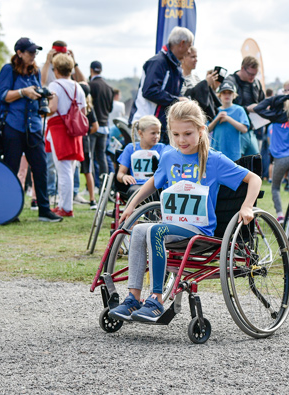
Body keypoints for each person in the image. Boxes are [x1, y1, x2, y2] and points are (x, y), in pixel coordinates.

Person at [109, 100, 261, 322]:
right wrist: (132, 204)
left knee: (154, 231)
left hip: (198, 229)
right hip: (173, 222)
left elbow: (254, 179)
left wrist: (247, 206)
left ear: (201, 130)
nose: (182, 140)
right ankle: (133, 298)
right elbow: (153, 181)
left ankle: (156, 300)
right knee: (140, 229)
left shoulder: (214, 159)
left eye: (188, 134)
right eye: (176, 134)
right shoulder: (170, 156)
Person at [0, 37, 62, 222]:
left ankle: (44, 210)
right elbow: (2, 96)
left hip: (33, 126)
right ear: (19, 53)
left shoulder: (35, 70)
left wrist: (44, 95)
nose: (33, 55)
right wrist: (24, 92)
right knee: (12, 168)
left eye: (35, 52)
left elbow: (37, 91)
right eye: (30, 52)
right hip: (13, 126)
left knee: (40, 168)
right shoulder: (9, 70)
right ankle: (8, 211)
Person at [253, 79, 289, 222]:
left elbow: (258, 108)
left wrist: (278, 97)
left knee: (275, 188)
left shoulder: (277, 115)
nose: (286, 93)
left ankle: (280, 215)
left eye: (287, 90)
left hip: (280, 158)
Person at [129, 26, 193, 142]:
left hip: (160, 129)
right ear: (182, 43)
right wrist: (177, 100)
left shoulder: (175, 67)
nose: (189, 51)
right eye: (189, 46)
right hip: (145, 126)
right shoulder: (158, 62)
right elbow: (149, 91)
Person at [44, 53, 87, 217]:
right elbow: (83, 112)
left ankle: (66, 207)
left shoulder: (54, 86)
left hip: (59, 129)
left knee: (63, 170)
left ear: (56, 69)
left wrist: (43, 111)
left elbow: (53, 108)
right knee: (70, 168)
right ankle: (64, 205)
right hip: (75, 131)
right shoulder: (78, 87)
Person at [224, 56, 266, 156]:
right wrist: (247, 109)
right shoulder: (230, 82)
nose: (252, 77)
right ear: (243, 68)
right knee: (236, 162)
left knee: (255, 161)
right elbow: (225, 106)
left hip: (252, 129)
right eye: (250, 74)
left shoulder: (256, 83)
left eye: (255, 74)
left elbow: (262, 101)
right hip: (234, 131)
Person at [116, 115, 165, 198]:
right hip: (137, 185)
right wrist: (124, 176)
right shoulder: (131, 148)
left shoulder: (162, 148)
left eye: (158, 133)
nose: (156, 136)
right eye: (153, 133)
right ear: (140, 133)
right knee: (139, 192)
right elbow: (120, 174)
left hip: (156, 185)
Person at [207, 80, 249, 161]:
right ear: (219, 95)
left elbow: (244, 129)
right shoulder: (215, 110)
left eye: (229, 93)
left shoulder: (239, 110)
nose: (227, 95)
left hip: (233, 153)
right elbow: (207, 129)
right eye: (224, 93)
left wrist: (228, 119)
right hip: (216, 153)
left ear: (234, 95)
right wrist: (217, 118)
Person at [87, 60, 114, 183]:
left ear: (91, 70)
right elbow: (110, 108)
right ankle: (104, 186)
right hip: (105, 125)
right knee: (102, 157)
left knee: (90, 157)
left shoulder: (91, 85)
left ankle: (90, 186)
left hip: (93, 126)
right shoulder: (109, 87)